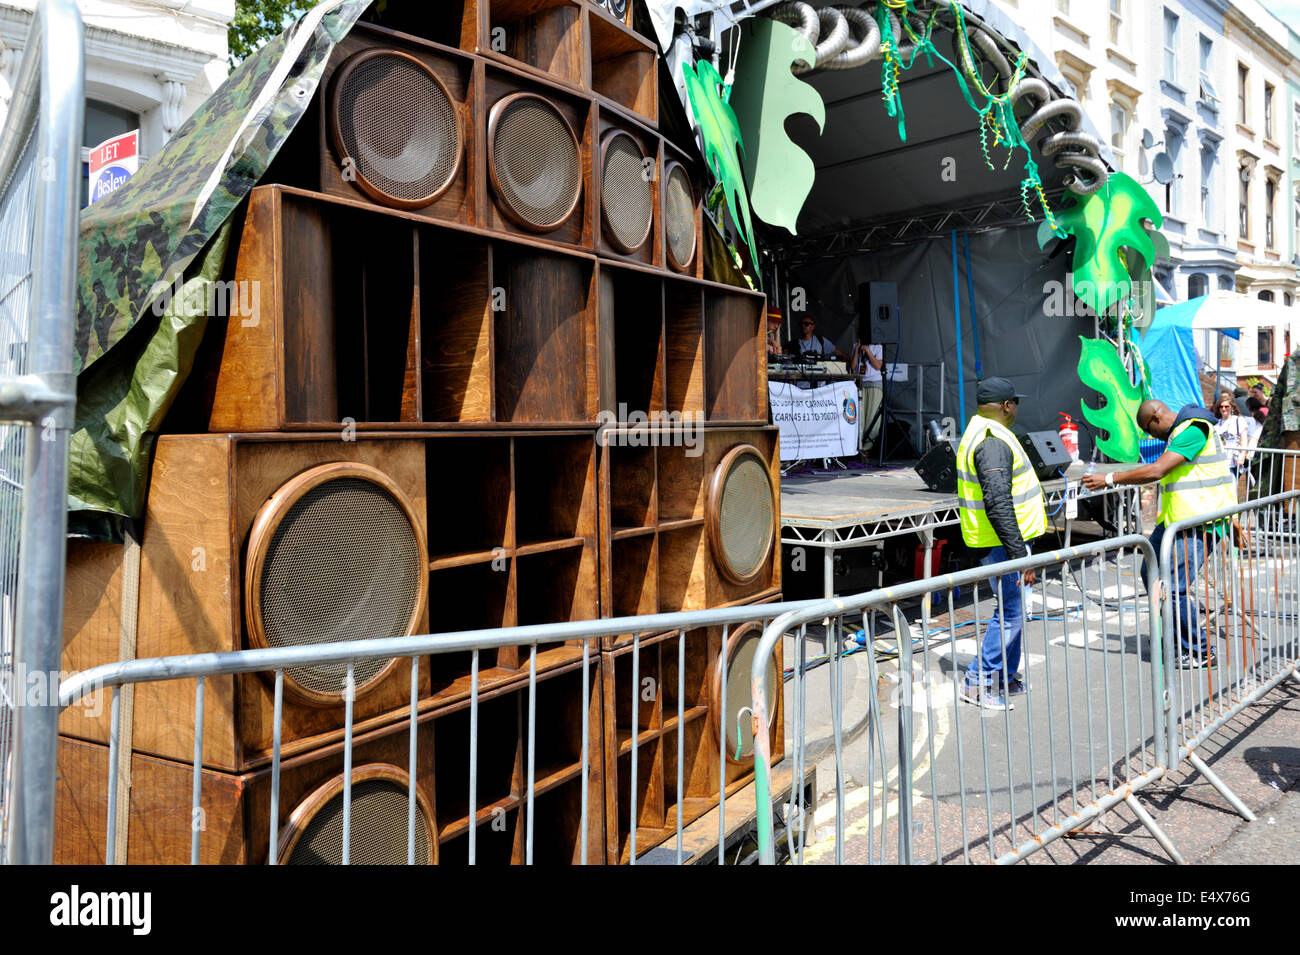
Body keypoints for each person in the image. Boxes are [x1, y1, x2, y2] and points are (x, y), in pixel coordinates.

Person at [1081, 399, 1236, 668]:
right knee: (1150, 573)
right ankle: (1175, 636)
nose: (1153, 437)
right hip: (1176, 520)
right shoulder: (1181, 431)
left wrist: (1109, 479)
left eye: (1150, 431)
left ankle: (1199, 650)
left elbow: (1157, 470)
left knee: (1174, 588)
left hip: (1197, 523)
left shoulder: (1193, 430)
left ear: (1155, 418)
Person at [954, 378, 1047, 710]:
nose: (1016, 408)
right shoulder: (992, 440)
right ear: (1007, 405)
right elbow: (997, 502)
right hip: (1001, 545)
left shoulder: (982, 431)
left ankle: (1004, 676)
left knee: (1016, 611)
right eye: (1015, 403)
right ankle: (978, 682)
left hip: (999, 543)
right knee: (1010, 613)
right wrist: (1020, 556)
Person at [853, 338, 884, 453]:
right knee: (860, 416)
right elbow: (853, 366)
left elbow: (877, 366)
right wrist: (856, 350)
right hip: (860, 382)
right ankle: (859, 445)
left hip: (874, 383)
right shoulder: (856, 345)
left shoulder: (878, 346)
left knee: (872, 416)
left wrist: (868, 351)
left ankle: (868, 447)